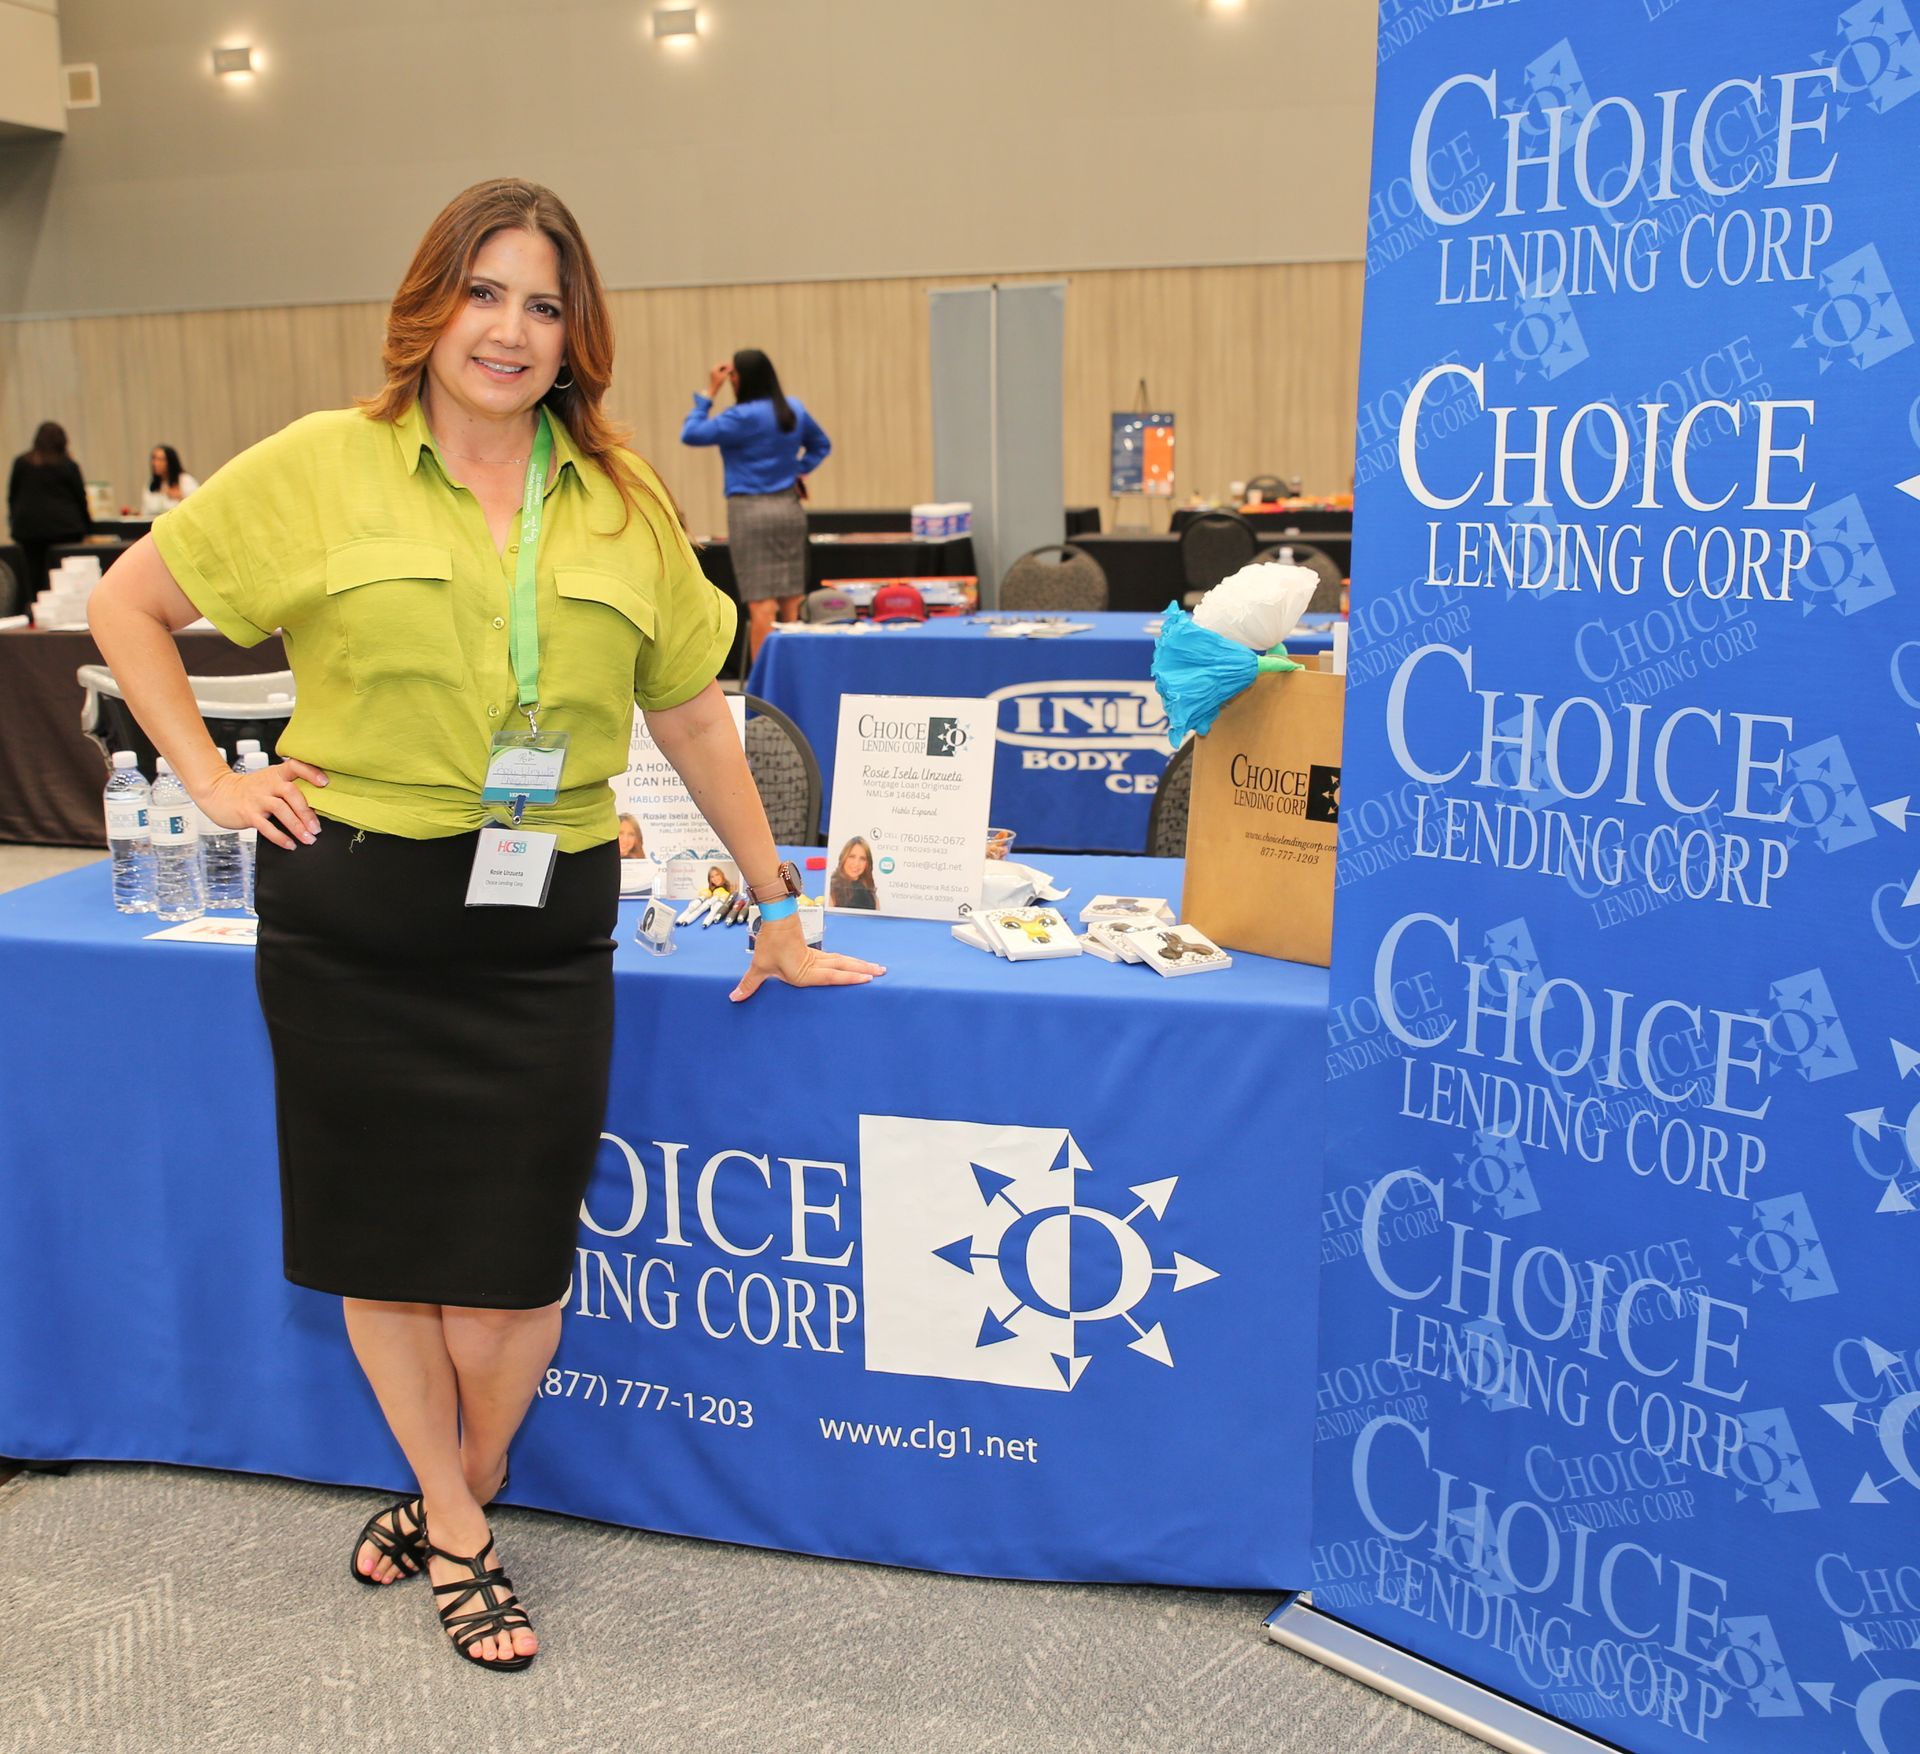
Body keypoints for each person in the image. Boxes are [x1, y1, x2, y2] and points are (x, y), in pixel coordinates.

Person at [87, 178, 885, 1675]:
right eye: (484, 293)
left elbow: (697, 716)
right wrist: (206, 774)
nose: (509, 330)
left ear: (574, 332)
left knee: (514, 1266)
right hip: (353, 914)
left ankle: (472, 1479)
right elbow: (130, 607)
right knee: (382, 1251)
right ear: (428, 306)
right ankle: (460, 1523)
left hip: (536, 926)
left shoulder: (623, 497)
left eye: (540, 302)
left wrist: (778, 903)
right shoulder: (326, 465)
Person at [679, 349, 830, 661]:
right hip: (789, 509)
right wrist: (798, 471)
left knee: (762, 605)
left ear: (741, 379)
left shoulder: (739, 417)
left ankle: (765, 691)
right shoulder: (794, 409)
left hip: (749, 513)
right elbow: (821, 445)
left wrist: (709, 393)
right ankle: (796, 676)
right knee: (793, 600)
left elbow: (691, 433)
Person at [7, 421, 91, 597]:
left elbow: (12, 496)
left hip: (28, 530)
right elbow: (80, 497)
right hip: (64, 529)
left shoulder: (22, 462)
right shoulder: (67, 465)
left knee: (33, 578)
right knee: (64, 579)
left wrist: (14, 522)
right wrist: (88, 527)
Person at [139, 445, 200, 517]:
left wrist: (180, 497)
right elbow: (145, 512)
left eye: (160, 460)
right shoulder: (150, 484)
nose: (155, 463)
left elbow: (197, 507)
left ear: (170, 462)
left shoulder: (185, 481)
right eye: (154, 459)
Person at [830, 836, 878, 909]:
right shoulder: (832, 889)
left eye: (862, 859)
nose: (856, 864)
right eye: (852, 856)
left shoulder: (870, 890)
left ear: (867, 863)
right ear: (844, 858)